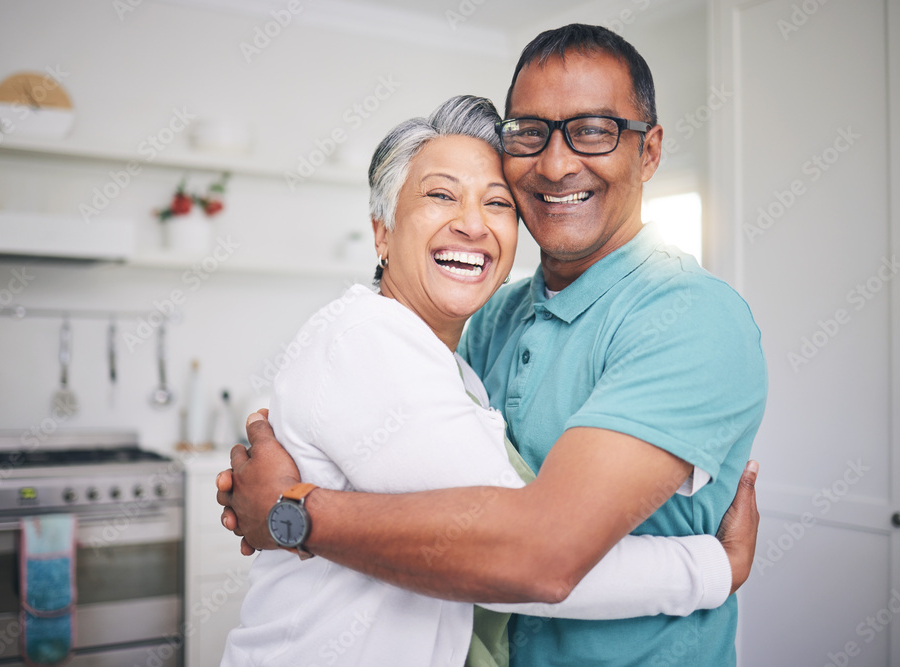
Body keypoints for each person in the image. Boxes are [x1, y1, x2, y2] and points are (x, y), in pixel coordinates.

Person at [219, 24, 767, 667]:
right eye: (531, 133)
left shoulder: (691, 317)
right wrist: (712, 565)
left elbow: (534, 556)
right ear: (382, 231)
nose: (558, 163)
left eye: (593, 130)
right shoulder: (480, 323)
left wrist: (297, 514)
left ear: (648, 152)